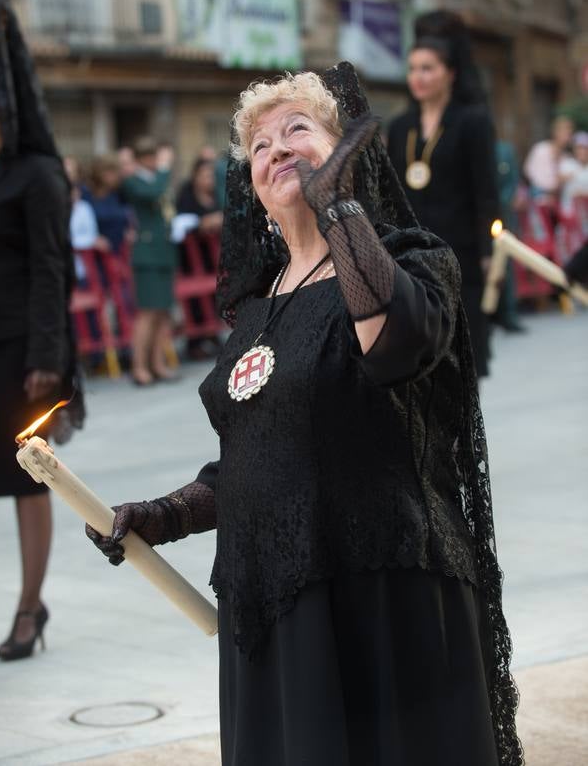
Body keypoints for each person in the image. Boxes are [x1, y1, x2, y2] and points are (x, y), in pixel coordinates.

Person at [86, 64, 522, 765]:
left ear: (345, 154)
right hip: (277, 606)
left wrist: (340, 208)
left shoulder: (413, 262)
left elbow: (394, 347)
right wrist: (161, 515)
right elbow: (259, 460)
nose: (276, 149)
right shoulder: (256, 311)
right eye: (258, 145)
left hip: (379, 600)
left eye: (298, 130)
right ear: (252, 186)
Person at [0, 0, 84, 661]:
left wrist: (49, 357)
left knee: (29, 478)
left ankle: (30, 607)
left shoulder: (38, 173)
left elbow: (54, 268)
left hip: (24, 350)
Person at [387, 10, 500, 378]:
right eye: (413, 69)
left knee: (463, 359)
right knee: (420, 359)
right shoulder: (400, 127)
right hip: (413, 257)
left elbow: (486, 191)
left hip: (460, 254)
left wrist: (488, 253)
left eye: (427, 69)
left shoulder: (473, 121)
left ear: (450, 73)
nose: (417, 77)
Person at [122, 137, 177, 386]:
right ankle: (139, 367)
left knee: (162, 313)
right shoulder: (133, 182)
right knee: (146, 313)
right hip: (146, 255)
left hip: (163, 251)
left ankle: (157, 364)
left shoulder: (154, 180)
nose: (156, 162)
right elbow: (153, 192)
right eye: (152, 157)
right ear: (142, 159)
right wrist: (165, 168)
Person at [175, 153, 224, 359]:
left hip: (214, 257)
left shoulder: (219, 195)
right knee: (195, 298)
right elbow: (181, 222)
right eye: (204, 175)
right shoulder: (186, 196)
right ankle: (195, 341)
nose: (209, 179)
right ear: (195, 176)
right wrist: (202, 222)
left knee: (217, 293)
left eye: (211, 175)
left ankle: (213, 334)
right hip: (190, 258)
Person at [493, 140, 525, 332]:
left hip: (503, 212)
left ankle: (509, 313)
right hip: (477, 214)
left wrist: (501, 203)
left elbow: (512, 180)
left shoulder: (504, 150)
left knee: (506, 263)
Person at [83, 153, 134, 255]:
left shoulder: (119, 194)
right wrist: (91, 238)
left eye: (115, 172)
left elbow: (127, 216)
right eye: (109, 171)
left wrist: (129, 229)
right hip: (94, 254)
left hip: (117, 253)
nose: (114, 176)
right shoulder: (85, 194)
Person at [522, 114, 574, 207]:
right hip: (538, 196)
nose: (568, 137)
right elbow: (528, 172)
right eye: (565, 132)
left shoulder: (567, 157)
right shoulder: (541, 149)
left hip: (557, 200)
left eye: (570, 133)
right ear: (556, 132)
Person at [558, 130, 588, 217]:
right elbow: (558, 181)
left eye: (585, 148)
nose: (582, 151)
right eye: (579, 148)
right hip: (569, 212)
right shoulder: (567, 163)